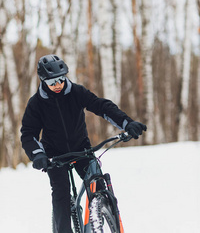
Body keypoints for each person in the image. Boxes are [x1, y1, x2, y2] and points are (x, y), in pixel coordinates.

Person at [21, 54, 147, 233]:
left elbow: (101, 106)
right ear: (43, 81)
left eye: (60, 79)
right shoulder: (36, 104)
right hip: (54, 156)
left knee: (98, 185)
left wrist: (127, 123)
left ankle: (105, 217)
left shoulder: (76, 92)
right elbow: (28, 133)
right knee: (61, 195)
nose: (57, 85)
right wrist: (38, 154)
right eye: (52, 82)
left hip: (82, 149)